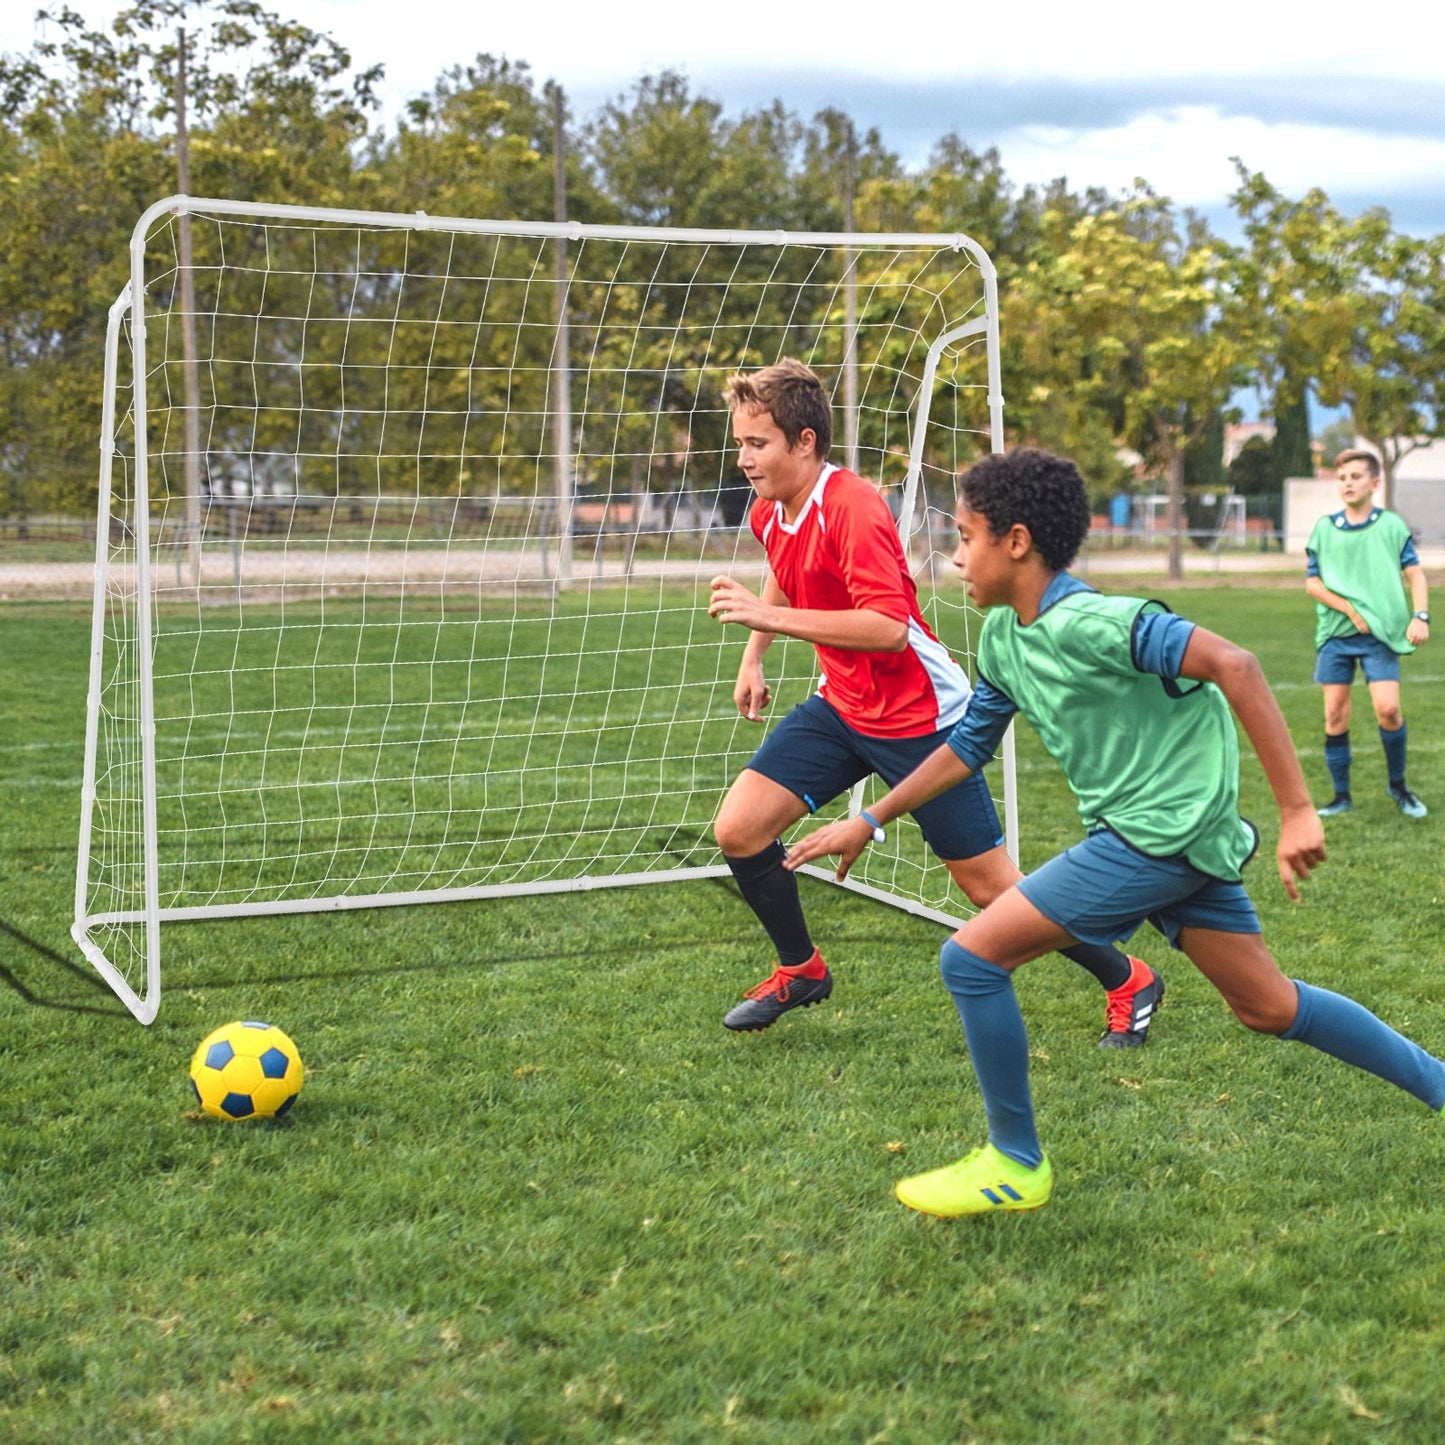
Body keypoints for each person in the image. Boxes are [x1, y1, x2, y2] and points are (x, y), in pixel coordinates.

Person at [783, 446, 1445, 1218]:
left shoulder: (1102, 621)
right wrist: (869, 817)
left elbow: (1235, 663)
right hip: (1170, 840)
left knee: (969, 958)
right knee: (1267, 1007)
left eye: (965, 537)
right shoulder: (1000, 638)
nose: (954, 556)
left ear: (1017, 541)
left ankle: (1014, 1161)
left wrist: (1298, 809)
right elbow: (966, 747)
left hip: (1152, 837)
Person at [707, 360, 1163, 1045]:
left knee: (990, 892)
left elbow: (888, 627)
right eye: (739, 443)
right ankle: (800, 968)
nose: (743, 459)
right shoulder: (770, 507)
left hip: (922, 717)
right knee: (739, 829)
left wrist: (766, 623)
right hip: (842, 707)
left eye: (757, 443)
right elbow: (784, 570)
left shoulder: (853, 507)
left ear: (804, 442)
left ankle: (1126, 976)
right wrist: (753, 658)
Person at [1305, 448, 1430, 819]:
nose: (1348, 483)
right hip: (1335, 635)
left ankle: (1399, 787)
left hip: (1381, 634)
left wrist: (1419, 615)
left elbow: (1415, 575)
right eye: (1342, 478)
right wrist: (1349, 610)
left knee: (1389, 710)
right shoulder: (1324, 529)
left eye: (1356, 477)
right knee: (1334, 716)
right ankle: (1341, 796)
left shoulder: (1391, 525)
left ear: (1375, 483)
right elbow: (1313, 584)